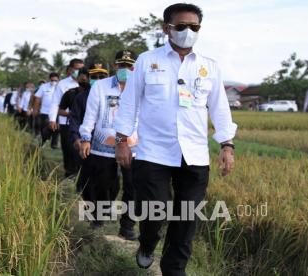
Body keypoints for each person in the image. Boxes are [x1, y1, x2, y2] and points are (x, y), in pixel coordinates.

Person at [113, 3, 237, 273]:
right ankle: (147, 243)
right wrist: (122, 140)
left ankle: (173, 269)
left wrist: (227, 144)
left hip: (194, 155)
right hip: (153, 152)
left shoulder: (209, 67)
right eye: (181, 26)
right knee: (154, 211)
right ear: (166, 28)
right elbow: (129, 101)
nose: (187, 32)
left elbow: (220, 108)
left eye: (194, 27)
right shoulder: (148, 60)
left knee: (187, 218)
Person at [78, 51, 138, 238]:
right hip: (103, 144)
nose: (125, 69)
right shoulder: (101, 87)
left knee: (133, 186)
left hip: (133, 145)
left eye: (129, 65)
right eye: (121, 65)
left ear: (135, 67)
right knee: (104, 184)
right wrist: (85, 137)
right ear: (115, 66)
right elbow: (91, 114)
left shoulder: (141, 86)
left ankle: (127, 225)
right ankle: (99, 217)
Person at [69, 63, 109, 193]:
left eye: (101, 77)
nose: (98, 80)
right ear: (88, 77)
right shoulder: (80, 97)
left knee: (107, 178)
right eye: (94, 76)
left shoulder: (115, 96)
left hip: (107, 144)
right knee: (87, 174)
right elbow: (74, 119)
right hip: (86, 142)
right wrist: (76, 138)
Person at [49, 58, 85, 177]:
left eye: (81, 69)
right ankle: (69, 173)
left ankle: (81, 174)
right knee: (68, 149)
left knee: (81, 149)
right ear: (70, 69)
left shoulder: (87, 83)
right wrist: (52, 119)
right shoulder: (63, 84)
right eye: (76, 68)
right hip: (66, 123)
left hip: (84, 123)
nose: (79, 71)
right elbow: (55, 103)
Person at [33, 72, 60, 147]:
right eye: (52, 80)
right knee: (44, 128)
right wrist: (35, 109)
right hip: (44, 112)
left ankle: (54, 144)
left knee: (56, 128)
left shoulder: (61, 87)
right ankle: (43, 140)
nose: (54, 82)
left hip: (57, 111)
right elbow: (37, 98)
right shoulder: (44, 87)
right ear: (49, 79)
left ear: (58, 80)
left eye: (56, 80)